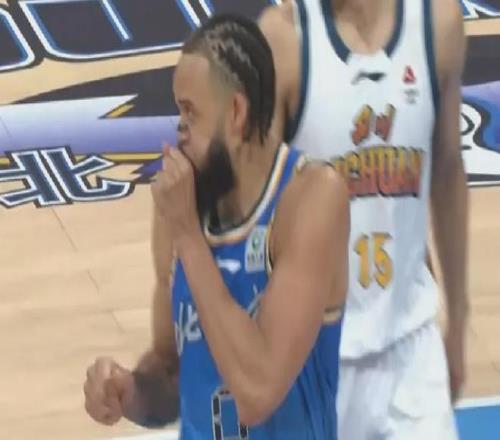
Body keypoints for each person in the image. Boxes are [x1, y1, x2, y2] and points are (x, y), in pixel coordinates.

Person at [83, 14, 350, 439]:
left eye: (190, 112)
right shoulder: (180, 210)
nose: (179, 131)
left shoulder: (310, 198)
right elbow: (173, 372)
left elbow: (258, 392)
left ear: (236, 113)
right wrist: (129, 391)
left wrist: (189, 237)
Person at [258, 0, 469, 438]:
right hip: (315, 357)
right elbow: (257, 208)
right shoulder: (283, 39)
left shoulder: (437, 23)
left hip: (412, 346)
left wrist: (458, 321)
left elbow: (448, 172)